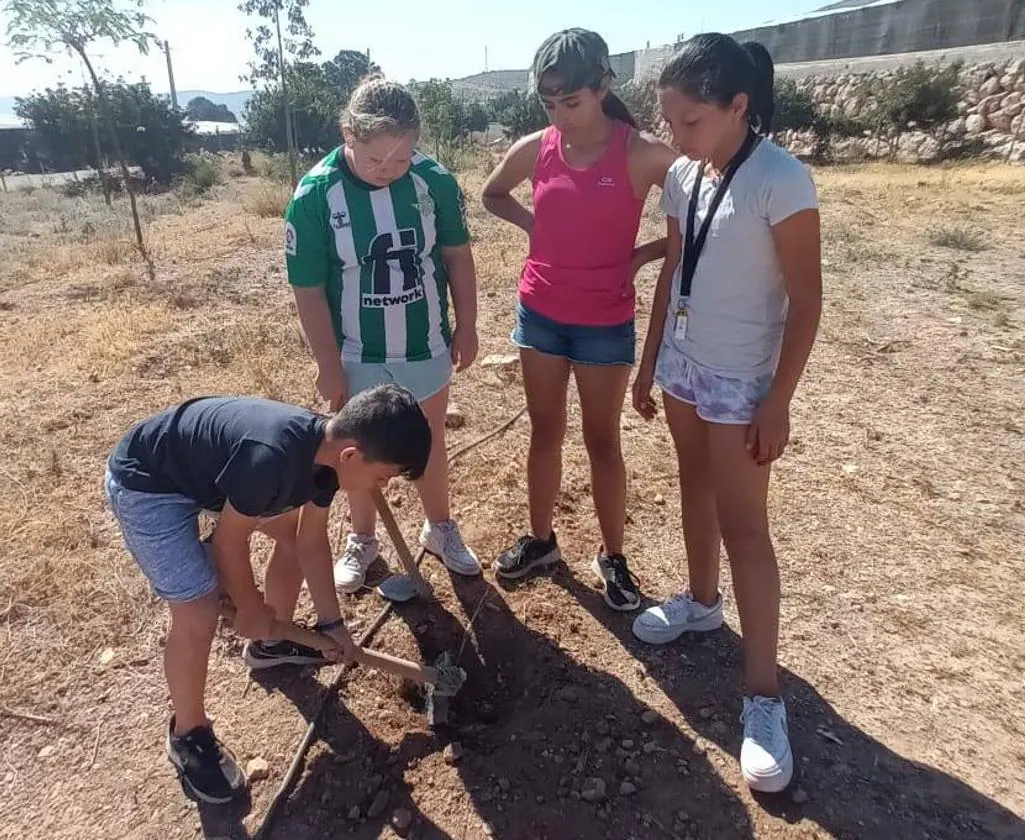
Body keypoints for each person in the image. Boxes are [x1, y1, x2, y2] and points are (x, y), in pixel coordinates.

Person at [631, 34, 822, 794]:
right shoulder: (685, 174)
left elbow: (806, 302)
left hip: (743, 378)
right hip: (684, 365)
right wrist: (650, 364)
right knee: (692, 486)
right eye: (670, 122)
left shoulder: (783, 180)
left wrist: (778, 401)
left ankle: (764, 698)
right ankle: (702, 603)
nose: (675, 138)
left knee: (747, 527)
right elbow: (676, 266)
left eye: (690, 121)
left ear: (739, 107)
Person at [103, 385, 431, 804]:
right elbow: (229, 542)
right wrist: (250, 607)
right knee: (199, 611)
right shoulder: (271, 459)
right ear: (351, 455)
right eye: (382, 476)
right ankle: (188, 735)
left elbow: (310, 540)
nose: (381, 486)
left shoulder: (325, 460)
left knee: (292, 534)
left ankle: (271, 647)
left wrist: (333, 625)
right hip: (148, 485)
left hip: (207, 477)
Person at [481, 29, 676, 612]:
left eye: (572, 103)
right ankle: (542, 542)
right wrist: (533, 228)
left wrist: (644, 255)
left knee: (602, 441)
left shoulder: (639, 153)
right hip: (540, 313)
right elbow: (493, 194)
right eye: (550, 105)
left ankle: (613, 556)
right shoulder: (537, 146)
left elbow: (705, 211)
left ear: (603, 88)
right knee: (545, 433)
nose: (560, 116)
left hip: (603, 322)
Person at [285, 77, 482, 594]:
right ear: (347, 133)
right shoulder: (314, 197)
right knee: (359, 450)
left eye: (400, 160)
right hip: (357, 352)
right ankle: (363, 539)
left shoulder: (433, 181)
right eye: (375, 161)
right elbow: (307, 291)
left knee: (431, 436)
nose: (388, 171)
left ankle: (440, 529)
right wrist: (329, 365)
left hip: (424, 343)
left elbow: (457, 258)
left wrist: (467, 324)